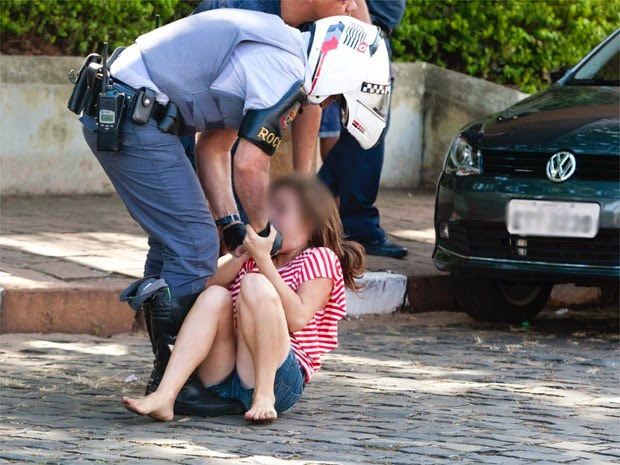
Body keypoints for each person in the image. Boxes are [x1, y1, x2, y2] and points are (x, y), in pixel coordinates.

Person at [75, 11, 391, 416]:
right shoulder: (287, 70)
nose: (325, 104)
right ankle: (176, 384)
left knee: (182, 243)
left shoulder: (278, 54)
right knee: (192, 243)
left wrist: (230, 225)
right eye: (336, 97)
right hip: (134, 112)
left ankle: (171, 378)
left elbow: (213, 148)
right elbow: (249, 164)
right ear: (337, 71)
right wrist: (262, 232)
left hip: (129, 107)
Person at [122, 175, 365, 422]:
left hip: (279, 379)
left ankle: (263, 395)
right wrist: (241, 257)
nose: (270, 218)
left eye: (281, 210)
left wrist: (262, 263)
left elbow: (298, 318)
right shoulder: (252, 259)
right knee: (216, 295)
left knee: (255, 283)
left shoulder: (318, 257)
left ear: (311, 222)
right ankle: (166, 395)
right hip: (227, 373)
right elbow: (203, 287)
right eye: (267, 209)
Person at [318, 0, 408, 259]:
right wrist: (371, 48)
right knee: (368, 133)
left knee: (361, 134)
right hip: (364, 36)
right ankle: (360, 225)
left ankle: (308, 202)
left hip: (369, 36)